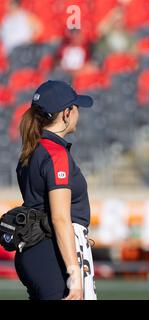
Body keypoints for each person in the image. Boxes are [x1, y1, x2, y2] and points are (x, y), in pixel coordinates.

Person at [15, 80, 97, 300]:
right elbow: (60, 218)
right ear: (66, 113)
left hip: (35, 250)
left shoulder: (32, 149)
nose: (79, 112)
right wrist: (74, 275)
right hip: (51, 254)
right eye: (76, 107)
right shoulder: (55, 154)